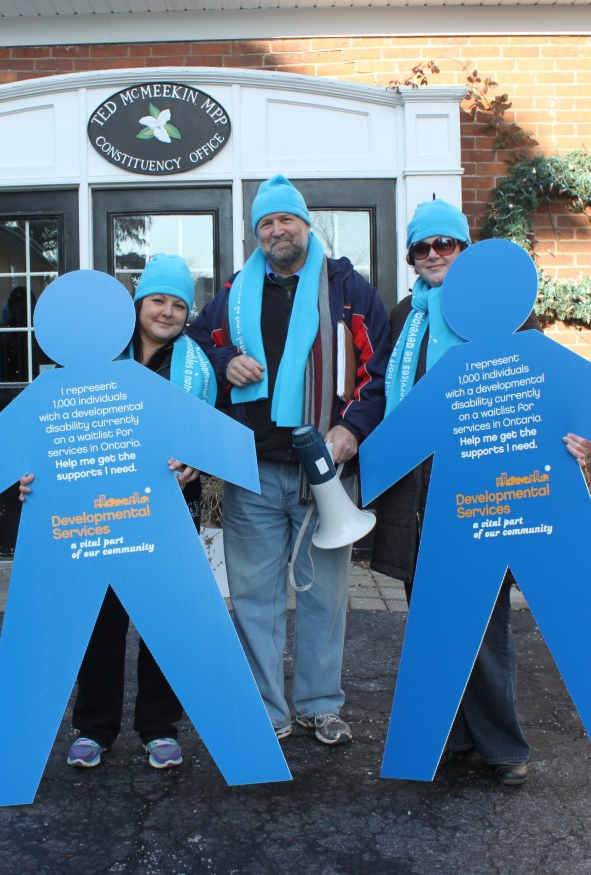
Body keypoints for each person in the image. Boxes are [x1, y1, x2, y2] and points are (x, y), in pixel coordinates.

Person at [188, 174, 390, 744]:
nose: (277, 231)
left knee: (325, 594)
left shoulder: (348, 289)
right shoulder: (234, 292)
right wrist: (226, 357)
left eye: (286, 220)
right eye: (266, 223)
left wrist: (351, 428)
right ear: (258, 234)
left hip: (326, 474)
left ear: (306, 224)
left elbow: (379, 372)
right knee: (255, 597)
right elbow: (197, 344)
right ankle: (268, 711)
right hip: (252, 471)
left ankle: (320, 704)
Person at [21, 254, 217, 770]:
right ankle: (93, 728)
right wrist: (32, 474)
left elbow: (208, 434)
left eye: (179, 304)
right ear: (137, 304)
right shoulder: (96, 356)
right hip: (101, 510)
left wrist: (196, 458)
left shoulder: (200, 367)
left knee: (163, 624)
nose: (168, 312)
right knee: (100, 621)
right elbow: (56, 423)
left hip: (171, 511)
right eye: (158, 300)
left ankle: (158, 728)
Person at [369, 200, 541, 786]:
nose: (435, 253)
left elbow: (535, 390)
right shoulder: (403, 314)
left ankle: (503, 746)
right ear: (412, 257)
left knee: (482, 619)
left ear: (466, 250)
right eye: (423, 246)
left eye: (447, 243)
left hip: (479, 490)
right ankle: (455, 735)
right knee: (432, 621)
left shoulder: (501, 309)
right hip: (416, 490)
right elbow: (388, 393)